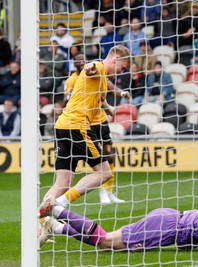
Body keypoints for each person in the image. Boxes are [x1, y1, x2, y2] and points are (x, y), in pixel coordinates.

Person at [39, 45, 130, 213]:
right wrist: (89, 66)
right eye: (122, 68)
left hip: (63, 126)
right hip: (78, 126)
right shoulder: (98, 67)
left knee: (62, 183)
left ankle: (39, 221)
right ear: (116, 59)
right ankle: (62, 202)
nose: (120, 72)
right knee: (104, 173)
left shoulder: (102, 78)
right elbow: (91, 69)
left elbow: (97, 97)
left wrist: (108, 108)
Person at [40, 201, 198, 252]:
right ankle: (57, 210)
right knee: (105, 241)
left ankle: (56, 227)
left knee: (107, 247)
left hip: (169, 224)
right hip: (167, 226)